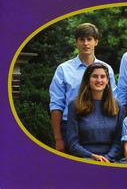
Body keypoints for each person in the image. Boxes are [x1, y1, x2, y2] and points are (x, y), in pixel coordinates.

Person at [49, 23, 117, 153]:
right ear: (76, 42)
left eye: (89, 39)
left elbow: (113, 100)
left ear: (96, 41)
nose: (86, 43)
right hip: (69, 128)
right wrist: (58, 138)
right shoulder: (63, 70)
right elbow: (56, 105)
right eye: (82, 39)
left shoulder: (106, 69)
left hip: (101, 130)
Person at [67, 63, 125, 162]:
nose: (99, 80)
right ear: (87, 80)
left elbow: (118, 141)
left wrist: (107, 158)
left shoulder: (118, 106)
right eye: (94, 76)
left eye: (102, 77)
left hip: (110, 160)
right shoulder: (75, 105)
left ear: (107, 81)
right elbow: (73, 143)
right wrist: (93, 156)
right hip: (84, 159)